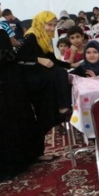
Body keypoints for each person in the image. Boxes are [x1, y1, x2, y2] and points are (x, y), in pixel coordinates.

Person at [0, 3, 44, 181]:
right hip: (7, 86)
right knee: (12, 120)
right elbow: (7, 59)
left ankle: (3, 168)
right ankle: (19, 161)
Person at [16, 11, 73, 144]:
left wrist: (70, 65)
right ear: (41, 23)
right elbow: (19, 57)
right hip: (32, 76)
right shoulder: (32, 36)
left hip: (41, 73)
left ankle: (62, 111)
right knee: (60, 74)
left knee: (66, 72)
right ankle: (62, 108)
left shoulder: (44, 37)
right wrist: (38, 59)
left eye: (54, 25)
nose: (52, 28)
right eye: (49, 25)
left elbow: (52, 59)